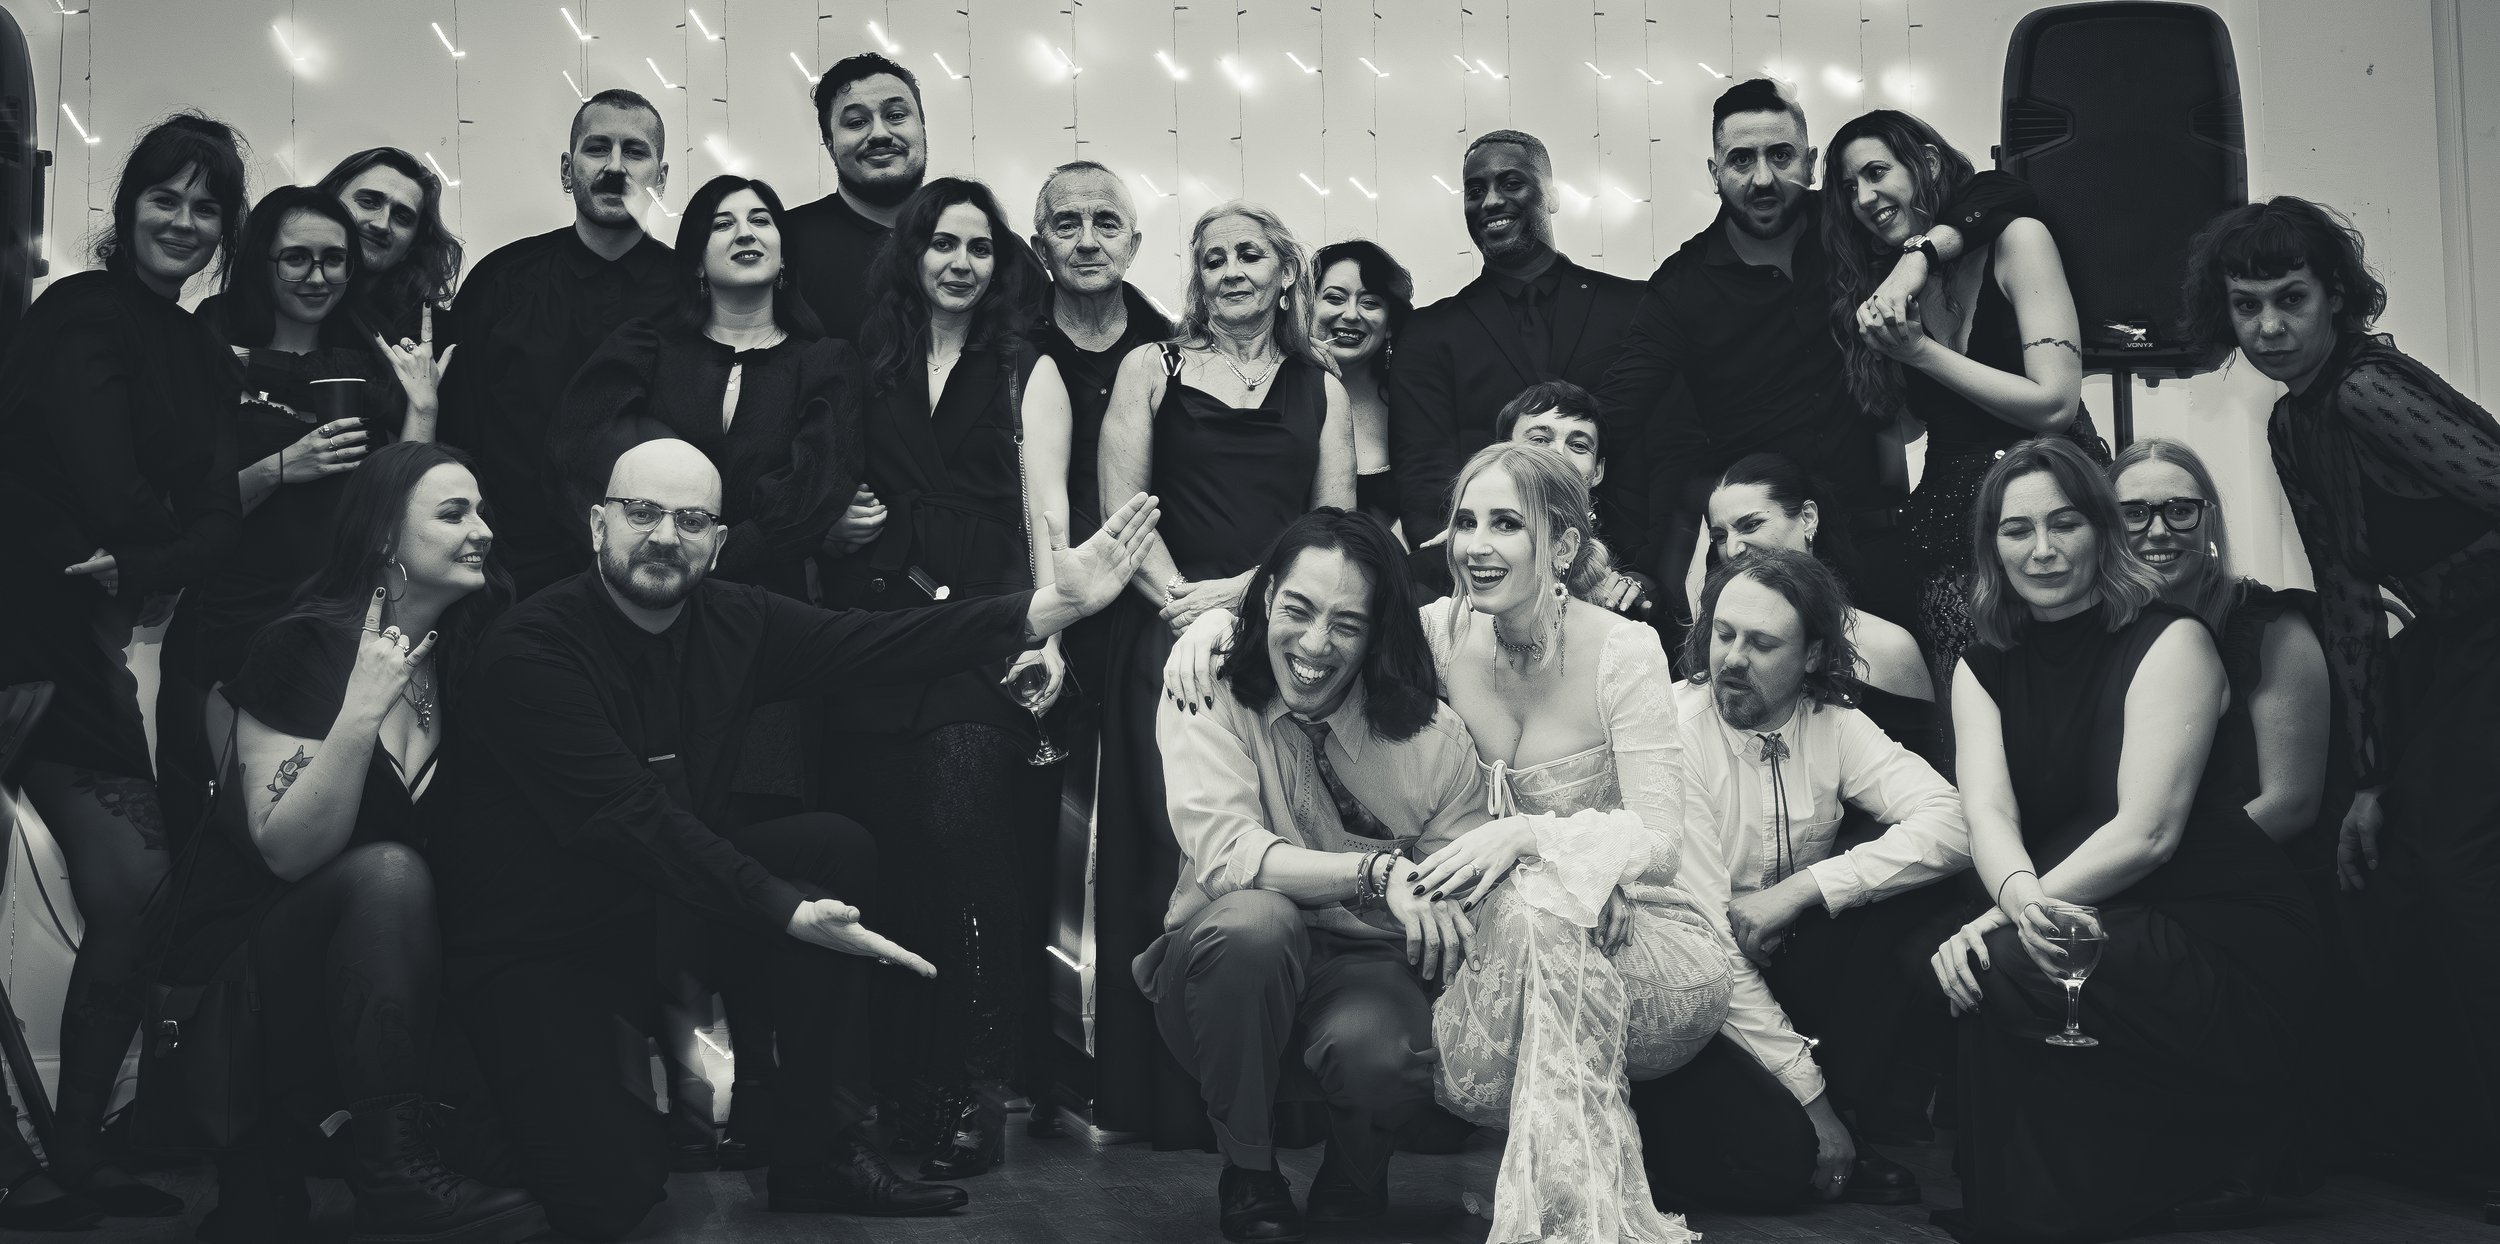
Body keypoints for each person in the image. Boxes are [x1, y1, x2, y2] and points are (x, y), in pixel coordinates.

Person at [427, 438, 1160, 1239]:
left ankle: (818, 1153)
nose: (666, 536)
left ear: (720, 543)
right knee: (612, 1194)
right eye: (642, 512)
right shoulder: (532, 649)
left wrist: (1047, 609)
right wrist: (783, 910)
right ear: (598, 522)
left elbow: (879, 643)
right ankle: (468, 1116)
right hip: (543, 941)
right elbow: (632, 818)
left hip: (658, 911)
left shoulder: (734, 618)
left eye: (692, 519)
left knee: (827, 847)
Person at [1168, 443, 1733, 1242]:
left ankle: (1571, 1217)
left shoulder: (1625, 651)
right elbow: (1321, 611)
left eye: (1506, 524)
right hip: (1498, 917)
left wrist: (1563, 855)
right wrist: (1218, 625)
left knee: (1539, 924)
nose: (1475, 544)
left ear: (1563, 547)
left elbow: (1660, 839)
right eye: (1465, 521)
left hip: (1614, 918)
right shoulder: (1437, 632)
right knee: (1517, 922)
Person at [2180, 195, 2500, 1217]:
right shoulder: (2293, 419)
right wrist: (2368, 776)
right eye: (2246, 306)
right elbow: (2350, 600)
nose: (2269, 326)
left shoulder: (2365, 388)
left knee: (2457, 881)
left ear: (2334, 301)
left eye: (2290, 299)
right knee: (2372, 868)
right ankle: (2421, 1135)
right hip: (2444, 650)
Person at [147, 441, 541, 1244]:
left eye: (483, 510)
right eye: (454, 513)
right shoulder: (304, 646)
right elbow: (285, 851)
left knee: (534, 1173)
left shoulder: (465, 653)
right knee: (388, 873)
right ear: (384, 539)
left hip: (379, 993)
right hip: (250, 991)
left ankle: (378, 1145)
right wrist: (361, 709)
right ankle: (389, 1177)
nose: (484, 530)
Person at [1925, 437, 2315, 1241]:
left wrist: (2001, 919)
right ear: (1990, 546)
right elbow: (1989, 816)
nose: (2041, 549)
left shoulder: (2174, 638)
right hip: (2102, 910)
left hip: (2215, 929)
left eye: (2064, 523)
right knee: (1994, 961)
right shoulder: (1982, 664)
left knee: (1997, 958)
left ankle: (2161, 1165)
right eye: (2016, 529)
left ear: (2101, 530)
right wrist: (2018, 899)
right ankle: (2089, 1188)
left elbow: (2148, 833)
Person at [0, 111, 248, 1226]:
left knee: (138, 895)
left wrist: (150, 553)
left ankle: (78, 1148)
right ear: (126, 204)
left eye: (206, 206)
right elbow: (111, 487)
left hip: (91, 635)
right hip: (19, 621)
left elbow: (210, 522)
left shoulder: (201, 350)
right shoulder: (77, 312)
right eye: (166, 196)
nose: (184, 222)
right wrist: (165, 538)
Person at [1143, 508, 1488, 1243]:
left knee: (1387, 1045)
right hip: (1224, 971)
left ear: (1377, 634)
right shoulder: (1206, 694)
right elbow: (1229, 852)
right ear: (1265, 597)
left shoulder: (1436, 742)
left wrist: (1425, 894)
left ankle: (1358, 1171)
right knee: (1256, 920)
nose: (1313, 644)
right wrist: (1375, 870)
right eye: (1297, 609)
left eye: (1346, 625)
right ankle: (1248, 1171)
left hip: (1366, 968)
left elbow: (1456, 900)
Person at [1090, 200, 1356, 1142]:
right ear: (1195, 279)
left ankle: (1277, 1092)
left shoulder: (1320, 385)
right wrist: (1180, 607)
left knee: (1276, 843)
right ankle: (1160, 1099)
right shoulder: (1148, 368)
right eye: (1213, 260)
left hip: (1289, 645)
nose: (1232, 271)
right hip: (1162, 638)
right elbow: (1122, 515)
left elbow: (1337, 531)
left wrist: (1244, 600)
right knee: (1167, 852)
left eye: (1251, 255)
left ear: (1287, 273)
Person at [820, 175, 1068, 1178]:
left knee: (969, 842)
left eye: (978, 245)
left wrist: (1052, 631)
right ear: (911, 254)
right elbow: (822, 479)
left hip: (989, 626)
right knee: (895, 863)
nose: (961, 261)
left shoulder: (1025, 363)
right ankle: (901, 1088)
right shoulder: (861, 360)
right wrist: (834, 517)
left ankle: (976, 1084)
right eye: (943, 243)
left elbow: (1044, 505)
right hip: (875, 630)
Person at [1593, 79, 2037, 638]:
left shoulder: (1852, 223)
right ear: (1714, 173)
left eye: (1780, 156)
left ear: (1808, 161)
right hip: (1762, 555)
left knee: (1903, 711)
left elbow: (2001, 193)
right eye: (1740, 160)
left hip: (1880, 541)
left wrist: (1917, 258)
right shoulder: (1681, 286)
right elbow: (1619, 413)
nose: (1762, 178)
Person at [1635, 549, 1965, 1212]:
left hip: (1777, 959)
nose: (1731, 659)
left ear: (1813, 656)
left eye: (1762, 644)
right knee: (1781, 1166)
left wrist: (1804, 888)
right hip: (1688, 988)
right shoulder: (1672, 732)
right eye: (1723, 634)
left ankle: (1847, 1123)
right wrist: (1813, 1109)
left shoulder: (1833, 724)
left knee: (1907, 898)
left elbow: (1954, 822)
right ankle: (1650, 1134)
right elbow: (1711, 946)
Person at [160, 185, 452, 831]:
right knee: (219, 833)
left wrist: (422, 408)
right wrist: (283, 467)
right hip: (229, 625)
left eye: (334, 259)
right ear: (263, 261)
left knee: (326, 825)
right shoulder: (208, 346)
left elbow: (397, 512)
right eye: (296, 258)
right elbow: (171, 517)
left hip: (332, 630)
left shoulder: (367, 362)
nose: (318, 277)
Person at [1823, 109, 2086, 704]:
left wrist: (1919, 351)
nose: (1864, 197)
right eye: (1849, 187)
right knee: (1972, 722)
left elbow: (2055, 404)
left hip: (2048, 512)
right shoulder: (1883, 278)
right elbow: (1919, 420)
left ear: (1929, 164)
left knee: (2063, 702)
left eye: (1876, 172)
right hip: (1947, 535)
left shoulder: (2015, 239)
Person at [1387, 130, 1656, 582]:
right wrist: (1474, 572)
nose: (1490, 201)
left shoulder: (1633, 309)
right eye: (1474, 191)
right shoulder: (1429, 333)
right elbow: (1423, 475)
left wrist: (1635, 577)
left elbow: (1659, 456)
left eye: (1511, 183)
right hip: (1480, 584)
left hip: (1616, 584)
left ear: (1551, 196)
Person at [438, 89, 675, 599]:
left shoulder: (693, 290)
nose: (615, 167)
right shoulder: (501, 280)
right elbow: (458, 428)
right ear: (568, 170)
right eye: (597, 149)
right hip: (510, 567)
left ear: (661, 177)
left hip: (656, 561)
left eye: (635, 152)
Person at [1702, 452, 1936, 759]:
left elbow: (1923, 778)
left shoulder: (1888, 645)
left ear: (1808, 517)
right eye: (1720, 536)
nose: (1732, 549)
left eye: (1751, 525)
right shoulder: (1714, 642)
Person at [1030, 160, 1175, 546]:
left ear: (1133, 246)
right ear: (1042, 250)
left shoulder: (1175, 348)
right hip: (1042, 573)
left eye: (1107, 224)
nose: (1089, 242)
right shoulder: (1009, 351)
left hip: (1156, 567)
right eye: (1067, 225)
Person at [785, 52, 928, 345]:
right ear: (830, 145)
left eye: (896, 116)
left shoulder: (979, 238)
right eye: (856, 121)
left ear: (923, 130)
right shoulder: (783, 243)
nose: (879, 134)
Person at [1489, 380, 1656, 617]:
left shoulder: (1625, 570)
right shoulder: (1446, 563)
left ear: (1597, 472)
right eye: (1538, 440)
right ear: (1500, 453)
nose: (1558, 454)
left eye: (1578, 445)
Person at [1310, 239, 1413, 531]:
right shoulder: (1282, 390)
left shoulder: (1410, 399)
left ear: (1390, 324)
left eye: (1370, 303)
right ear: (1307, 307)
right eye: (1334, 298)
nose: (1352, 314)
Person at [315, 147, 462, 343]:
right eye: (368, 202)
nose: (382, 224)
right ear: (327, 203)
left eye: (402, 217)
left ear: (412, 246)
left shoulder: (434, 337)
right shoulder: (275, 304)